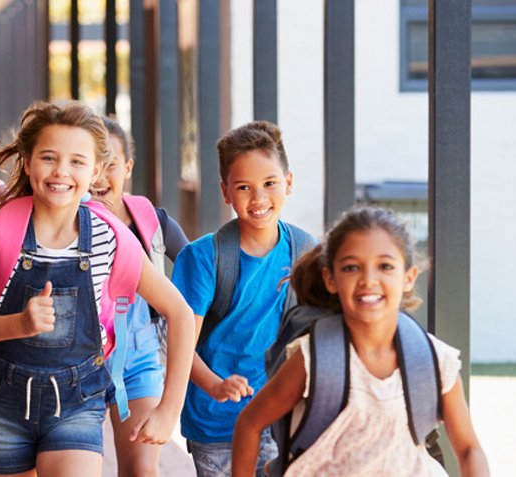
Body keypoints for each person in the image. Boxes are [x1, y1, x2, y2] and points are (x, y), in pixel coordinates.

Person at [0, 101, 196, 477]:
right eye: (48, 157)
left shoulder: (111, 238)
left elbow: (179, 313)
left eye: (77, 161)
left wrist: (168, 410)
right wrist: (19, 324)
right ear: (27, 162)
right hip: (3, 400)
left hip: (78, 400)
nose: (61, 171)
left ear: (95, 170)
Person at [232, 206, 489, 476]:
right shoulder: (316, 359)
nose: (369, 279)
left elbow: (469, 449)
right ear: (331, 279)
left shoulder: (434, 361)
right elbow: (250, 423)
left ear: (409, 278)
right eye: (351, 267)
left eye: (385, 266)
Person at [169, 121, 311, 476]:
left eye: (270, 184)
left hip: (279, 417)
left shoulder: (306, 252)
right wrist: (215, 385)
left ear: (288, 183)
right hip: (216, 424)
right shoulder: (203, 258)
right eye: (244, 187)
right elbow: (180, 343)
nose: (259, 198)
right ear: (225, 191)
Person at [90, 117, 189, 476]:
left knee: (141, 470)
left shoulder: (153, 222)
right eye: (92, 164)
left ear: (128, 167)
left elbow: (199, 272)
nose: (99, 177)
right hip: (77, 364)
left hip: (139, 361)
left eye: (111, 164)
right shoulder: (65, 223)